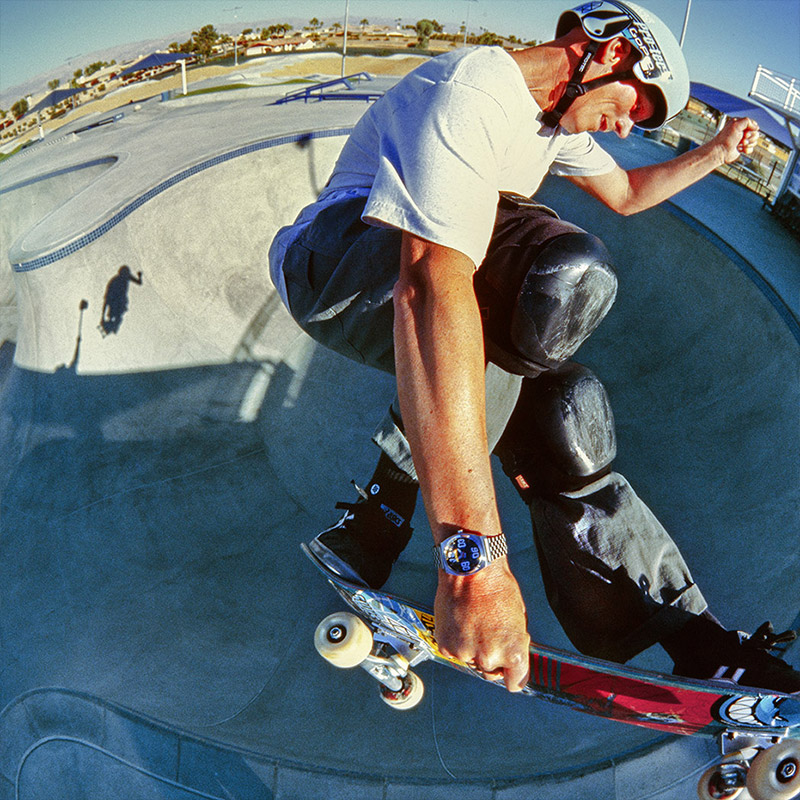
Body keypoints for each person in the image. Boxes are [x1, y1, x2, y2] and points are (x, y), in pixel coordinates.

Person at [268, 0, 799, 695]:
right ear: (607, 53)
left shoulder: (556, 127)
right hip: (334, 261)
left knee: (566, 415)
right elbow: (430, 284)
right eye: (631, 108)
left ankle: (695, 639)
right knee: (551, 271)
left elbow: (630, 191)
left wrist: (716, 153)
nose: (626, 128)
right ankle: (386, 506)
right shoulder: (472, 89)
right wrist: (474, 565)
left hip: (438, 274)